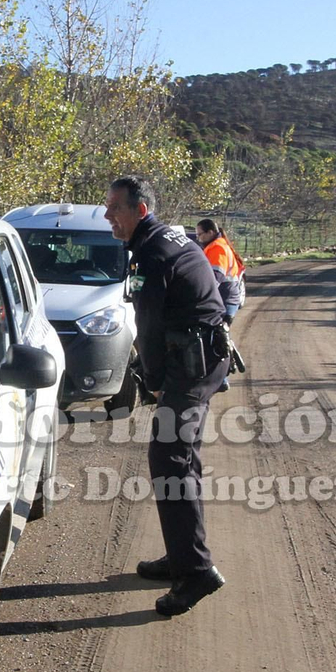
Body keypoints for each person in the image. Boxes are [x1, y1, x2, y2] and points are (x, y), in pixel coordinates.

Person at [104, 176, 232, 616]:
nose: (107, 215)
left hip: (190, 364)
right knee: (181, 459)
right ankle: (183, 556)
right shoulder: (170, 238)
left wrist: (155, 379)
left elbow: (148, 324)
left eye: (115, 208)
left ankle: (195, 572)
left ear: (140, 210)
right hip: (205, 357)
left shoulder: (153, 252)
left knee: (170, 460)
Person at [195, 218, 246, 322]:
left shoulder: (217, 248)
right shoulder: (217, 245)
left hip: (224, 299)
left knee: (217, 331)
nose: (198, 238)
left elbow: (216, 278)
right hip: (226, 298)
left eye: (199, 234)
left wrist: (201, 296)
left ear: (210, 232)